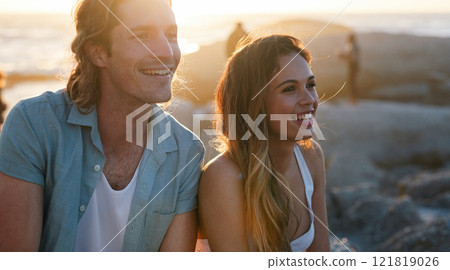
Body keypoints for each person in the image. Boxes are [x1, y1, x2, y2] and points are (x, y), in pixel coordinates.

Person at [0, 0, 204, 252]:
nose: (166, 52)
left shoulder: (186, 152)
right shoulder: (34, 125)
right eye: (142, 36)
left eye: (171, 35)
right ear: (97, 52)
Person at [197, 35, 330, 251]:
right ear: (255, 103)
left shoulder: (311, 156)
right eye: (289, 89)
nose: (310, 100)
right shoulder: (224, 176)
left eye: (310, 84)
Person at [338, 32, 360, 105]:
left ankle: (353, 100)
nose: (346, 39)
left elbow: (351, 58)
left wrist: (341, 55)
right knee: (352, 82)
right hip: (354, 66)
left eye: (348, 38)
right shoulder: (354, 46)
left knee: (351, 83)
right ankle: (353, 99)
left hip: (352, 66)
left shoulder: (352, 46)